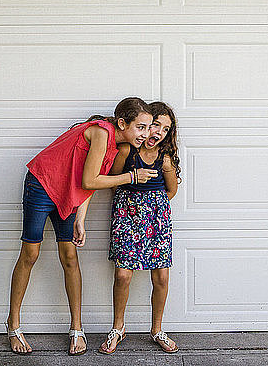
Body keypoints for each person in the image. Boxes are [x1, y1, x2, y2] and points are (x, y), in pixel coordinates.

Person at [6, 97, 159, 356]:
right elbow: (91, 180)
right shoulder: (102, 133)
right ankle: (13, 325)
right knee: (30, 254)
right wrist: (132, 176)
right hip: (42, 185)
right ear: (122, 123)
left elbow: (89, 182)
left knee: (70, 256)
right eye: (140, 127)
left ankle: (77, 328)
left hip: (67, 192)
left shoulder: (115, 146)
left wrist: (80, 218)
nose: (145, 134)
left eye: (148, 128)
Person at [99, 102, 181, 355]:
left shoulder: (164, 158)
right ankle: (118, 328)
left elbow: (171, 190)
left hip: (156, 220)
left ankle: (156, 329)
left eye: (165, 130)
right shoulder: (126, 151)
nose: (157, 132)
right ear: (144, 124)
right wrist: (130, 204)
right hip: (126, 216)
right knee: (123, 275)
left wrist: (153, 206)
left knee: (162, 277)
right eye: (155, 124)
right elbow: (112, 180)